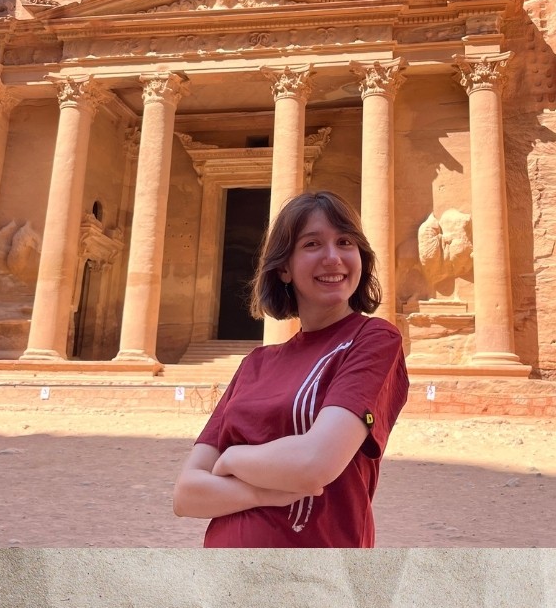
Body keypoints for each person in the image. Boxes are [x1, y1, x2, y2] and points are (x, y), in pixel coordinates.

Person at [171, 190, 411, 547]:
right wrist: (262, 493)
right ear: (283, 267)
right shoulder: (256, 364)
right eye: (312, 244)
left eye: (345, 241)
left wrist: (233, 458)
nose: (333, 257)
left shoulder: (372, 339)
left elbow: (314, 464)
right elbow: (187, 495)